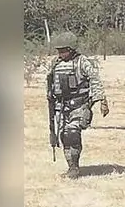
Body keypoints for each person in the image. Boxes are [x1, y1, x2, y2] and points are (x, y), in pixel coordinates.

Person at [45, 31, 110, 179]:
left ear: (72, 49)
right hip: (61, 107)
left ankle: (74, 168)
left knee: (72, 133)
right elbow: (49, 81)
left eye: (64, 50)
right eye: (59, 51)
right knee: (63, 136)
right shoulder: (56, 63)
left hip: (79, 105)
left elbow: (95, 79)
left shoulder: (82, 62)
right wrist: (50, 98)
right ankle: (71, 166)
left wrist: (101, 99)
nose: (61, 53)